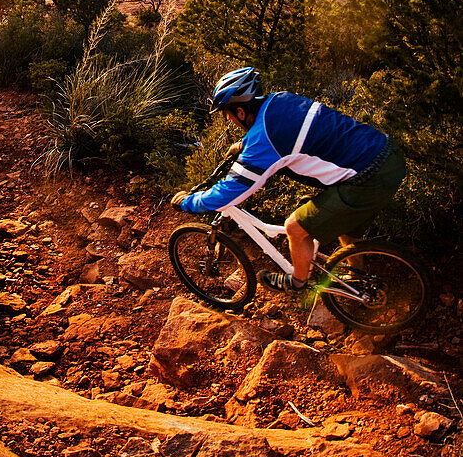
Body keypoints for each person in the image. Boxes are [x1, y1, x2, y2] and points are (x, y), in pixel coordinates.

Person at [170, 66, 405, 293]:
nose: (230, 120)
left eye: (228, 115)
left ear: (240, 112)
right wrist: (244, 145)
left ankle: (297, 283)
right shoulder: (281, 100)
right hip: (387, 155)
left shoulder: (264, 139)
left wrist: (189, 202)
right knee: (346, 223)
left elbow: (232, 191)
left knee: (295, 228)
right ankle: (355, 276)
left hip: (367, 178)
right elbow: (294, 131)